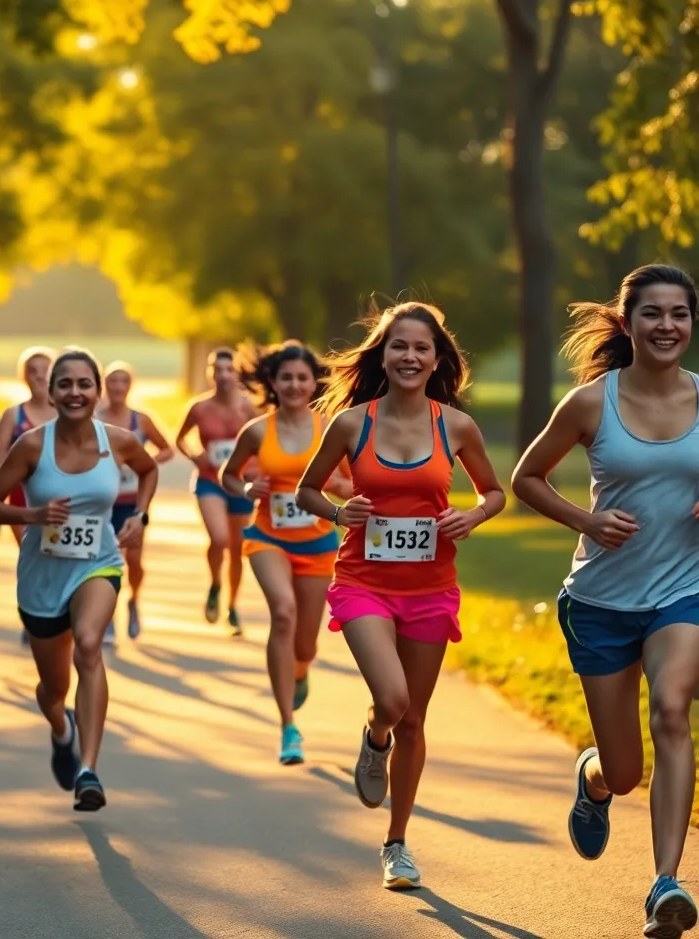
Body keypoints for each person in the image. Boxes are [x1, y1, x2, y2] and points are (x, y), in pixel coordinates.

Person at [512, 264, 699, 939]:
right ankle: (593, 780)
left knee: (673, 710)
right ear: (629, 323)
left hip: (685, 591)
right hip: (600, 602)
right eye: (652, 313)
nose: (667, 326)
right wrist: (585, 521)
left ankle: (665, 885)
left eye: (679, 314)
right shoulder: (592, 403)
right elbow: (526, 478)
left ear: (691, 322)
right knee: (624, 772)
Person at [295, 301, 505, 892]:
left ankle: (397, 844)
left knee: (416, 718)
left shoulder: (455, 426)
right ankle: (373, 736)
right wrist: (340, 511)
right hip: (364, 581)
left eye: (421, 348)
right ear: (382, 357)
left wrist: (473, 516)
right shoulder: (351, 424)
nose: (410, 356)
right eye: (399, 347)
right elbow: (308, 491)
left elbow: (495, 493)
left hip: (431, 589)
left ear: (437, 359)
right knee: (391, 699)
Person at [0, 348, 158, 812]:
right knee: (53, 689)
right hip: (41, 576)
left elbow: (149, 469)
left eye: (84, 384)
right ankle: (62, 730)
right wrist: (33, 514)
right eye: (65, 384)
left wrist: (139, 515)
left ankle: (88, 770)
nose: (75, 392)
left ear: (97, 392)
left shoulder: (117, 441)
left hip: (96, 562)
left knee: (88, 645)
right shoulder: (32, 446)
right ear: (51, 392)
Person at [220, 342, 353, 765]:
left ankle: (299, 669)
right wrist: (245, 488)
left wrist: (335, 487)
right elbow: (228, 475)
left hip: (317, 544)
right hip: (267, 537)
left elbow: (354, 488)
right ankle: (287, 728)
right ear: (273, 383)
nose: (295, 385)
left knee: (306, 644)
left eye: (302, 377)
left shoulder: (331, 427)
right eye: (286, 377)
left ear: (313, 382)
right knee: (282, 611)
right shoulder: (258, 430)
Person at [175, 347, 256, 634]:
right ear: (210, 374)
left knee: (237, 549)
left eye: (228, 369)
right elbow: (180, 439)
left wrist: (256, 466)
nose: (222, 375)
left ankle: (232, 606)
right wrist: (196, 456)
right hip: (210, 480)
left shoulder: (250, 407)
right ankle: (215, 583)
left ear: (237, 373)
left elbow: (265, 440)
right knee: (219, 538)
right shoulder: (199, 407)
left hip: (240, 483)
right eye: (216, 370)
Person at [97, 360, 174, 643]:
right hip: (102, 502)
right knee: (107, 559)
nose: (118, 387)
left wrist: (145, 462)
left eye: (123, 382)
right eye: (112, 381)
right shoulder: (93, 417)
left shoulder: (140, 420)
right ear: (104, 385)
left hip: (134, 500)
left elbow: (167, 449)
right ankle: (107, 618)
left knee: (134, 560)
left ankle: (133, 600)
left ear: (131, 386)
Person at [0, 346, 56, 646]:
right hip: (21, 501)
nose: (39, 376)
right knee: (33, 557)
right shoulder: (13, 415)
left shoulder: (66, 411)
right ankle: (33, 618)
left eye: (45, 370)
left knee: (57, 557)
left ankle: (55, 616)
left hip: (60, 501)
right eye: (32, 370)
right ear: (23, 376)